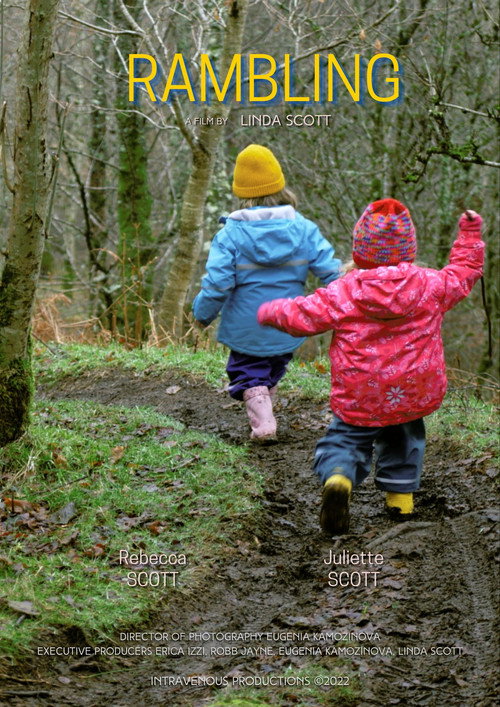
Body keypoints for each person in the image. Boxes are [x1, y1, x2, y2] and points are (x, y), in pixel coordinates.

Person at [257, 198, 484, 533]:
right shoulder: (431, 284)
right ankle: (400, 500)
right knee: (405, 437)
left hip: (361, 392)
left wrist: (270, 311)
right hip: (412, 389)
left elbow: (303, 315)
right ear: (408, 249)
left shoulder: (344, 291)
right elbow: (463, 274)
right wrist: (469, 235)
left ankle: (339, 477)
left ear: (360, 250)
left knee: (346, 438)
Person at [192, 144, 342, 441]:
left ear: (241, 191)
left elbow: (219, 283)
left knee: (247, 373)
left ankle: (263, 424)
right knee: (271, 368)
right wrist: (354, 300)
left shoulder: (230, 234)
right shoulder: (303, 228)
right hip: (288, 322)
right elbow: (332, 272)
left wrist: (201, 313)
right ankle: (264, 406)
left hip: (246, 326)